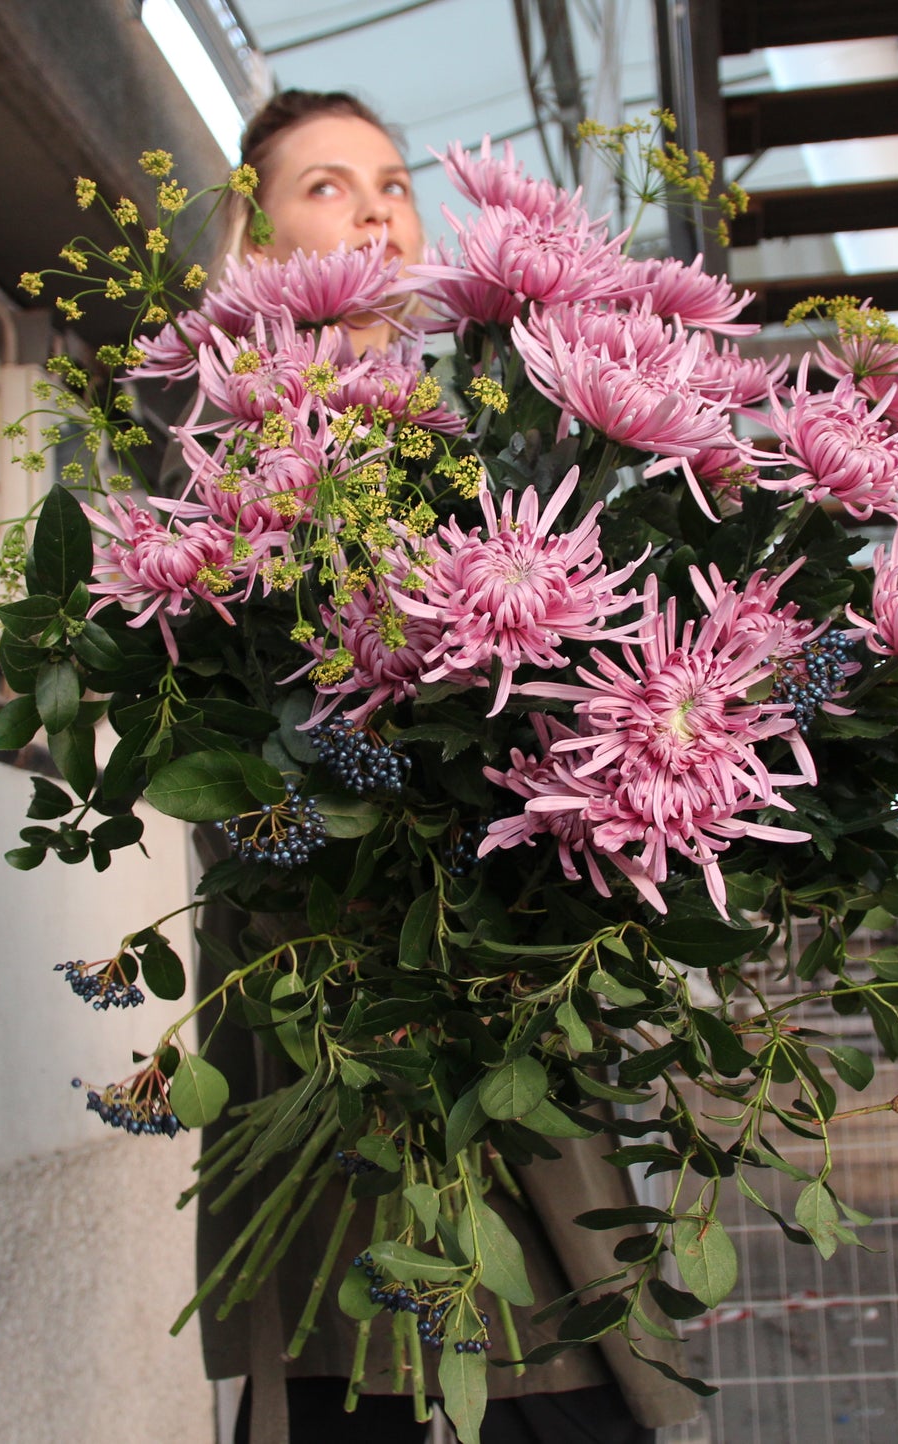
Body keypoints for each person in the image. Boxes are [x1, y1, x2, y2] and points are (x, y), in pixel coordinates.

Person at [189, 90, 697, 1444]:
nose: (374, 210)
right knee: (372, 1358)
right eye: (325, 186)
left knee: (556, 1356)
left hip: (525, 1093)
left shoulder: (508, 449)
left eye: (394, 183)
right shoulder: (221, 476)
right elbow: (244, 794)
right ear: (254, 240)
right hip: (340, 1086)